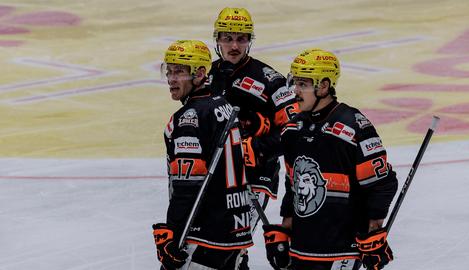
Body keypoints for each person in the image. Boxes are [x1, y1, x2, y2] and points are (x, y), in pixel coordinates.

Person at [262, 48, 398, 270]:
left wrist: (374, 230)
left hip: (342, 249)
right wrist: (285, 228)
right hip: (302, 247)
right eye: (295, 83)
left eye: (303, 85)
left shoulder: (353, 125)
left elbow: (382, 183)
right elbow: (293, 183)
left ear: (324, 86)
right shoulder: (293, 129)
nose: (295, 91)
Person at [208, 7, 300, 268]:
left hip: (254, 175)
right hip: (216, 174)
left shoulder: (270, 80)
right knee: (216, 244)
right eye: (227, 38)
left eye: (242, 38)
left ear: (250, 41)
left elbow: (295, 130)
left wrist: (257, 147)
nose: (234, 45)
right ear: (217, 40)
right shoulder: (207, 75)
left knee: (233, 244)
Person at [152, 40, 253, 270]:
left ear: (199, 74)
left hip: (202, 234)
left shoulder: (189, 118)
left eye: (179, 71)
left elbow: (188, 185)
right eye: (169, 71)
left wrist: (172, 233)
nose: (171, 78)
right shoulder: (223, 105)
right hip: (235, 230)